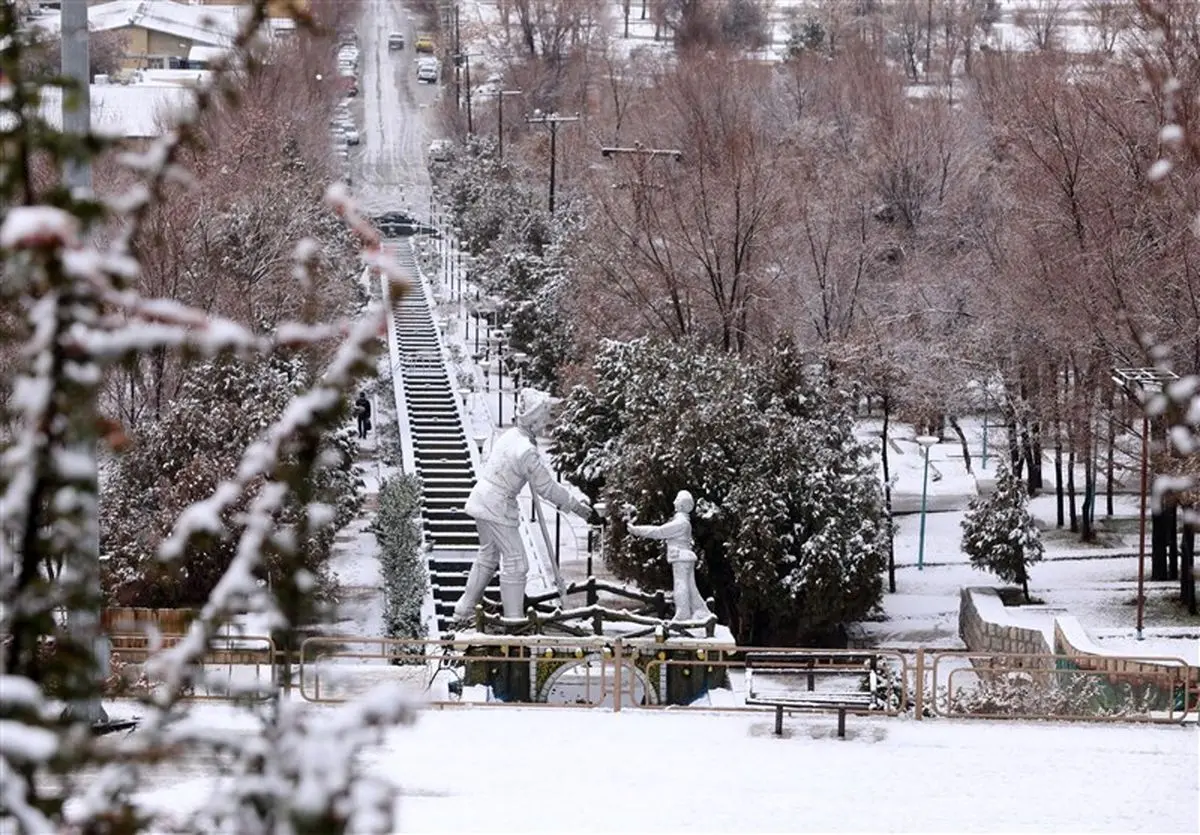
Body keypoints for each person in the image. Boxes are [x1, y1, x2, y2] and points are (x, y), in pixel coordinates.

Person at [453, 389, 591, 622]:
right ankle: (513, 621)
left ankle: (464, 609)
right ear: (535, 418)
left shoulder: (511, 436)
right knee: (517, 563)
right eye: (546, 415)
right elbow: (547, 487)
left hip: (483, 499)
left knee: (488, 556)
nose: (549, 421)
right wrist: (578, 508)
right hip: (496, 505)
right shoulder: (526, 450)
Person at [627, 490, 712, 623]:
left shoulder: (681, 523)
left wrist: (636, 530)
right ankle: (701, 611)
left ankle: (683, 614)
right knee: (689, 586)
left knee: (681, 585)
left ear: (682, 505)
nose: (673, 502)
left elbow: (659, 531)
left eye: (677, 500)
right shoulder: (683, 522)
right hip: (683, 557)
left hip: (680, 557)